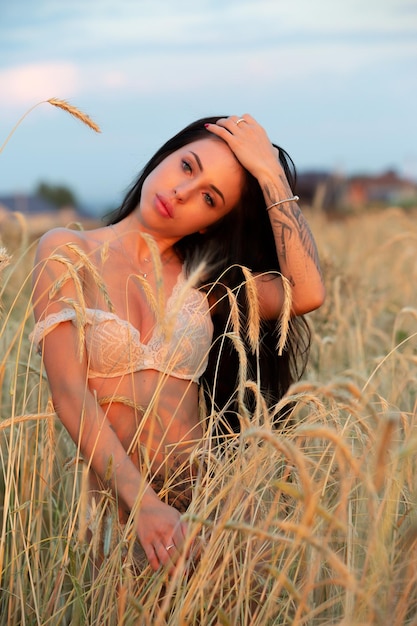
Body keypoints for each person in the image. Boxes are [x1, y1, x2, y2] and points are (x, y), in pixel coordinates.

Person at [30, 114, 325, 573]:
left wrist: (269, 174)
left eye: (210, 198)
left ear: (213, 223)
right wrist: (146, 506)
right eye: (187, 166)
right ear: (164, 155)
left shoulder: (207, 286)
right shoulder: (67, 251)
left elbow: (306, 294)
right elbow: (70, 393)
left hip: (215, 512)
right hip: (125, 517)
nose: (183, 193)